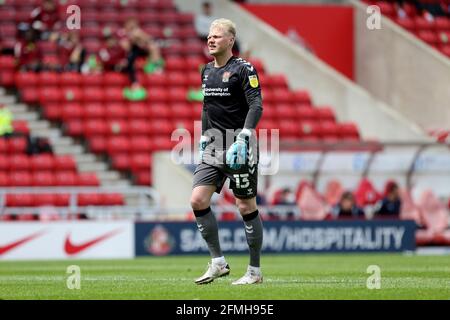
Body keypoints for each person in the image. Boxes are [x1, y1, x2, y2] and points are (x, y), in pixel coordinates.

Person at [191, 18, 263, 285]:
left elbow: (256, 105)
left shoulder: (244, 69)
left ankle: (254, 272)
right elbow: (207, 107)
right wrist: (203, 135)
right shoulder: (206, 71)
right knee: (198, 200)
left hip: (239, 145)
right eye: (209, 36)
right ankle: (218, 262)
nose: (211, 40)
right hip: (214, 144)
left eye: (217, 36)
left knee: (245, 205)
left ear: (231, 40)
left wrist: (244, 137)